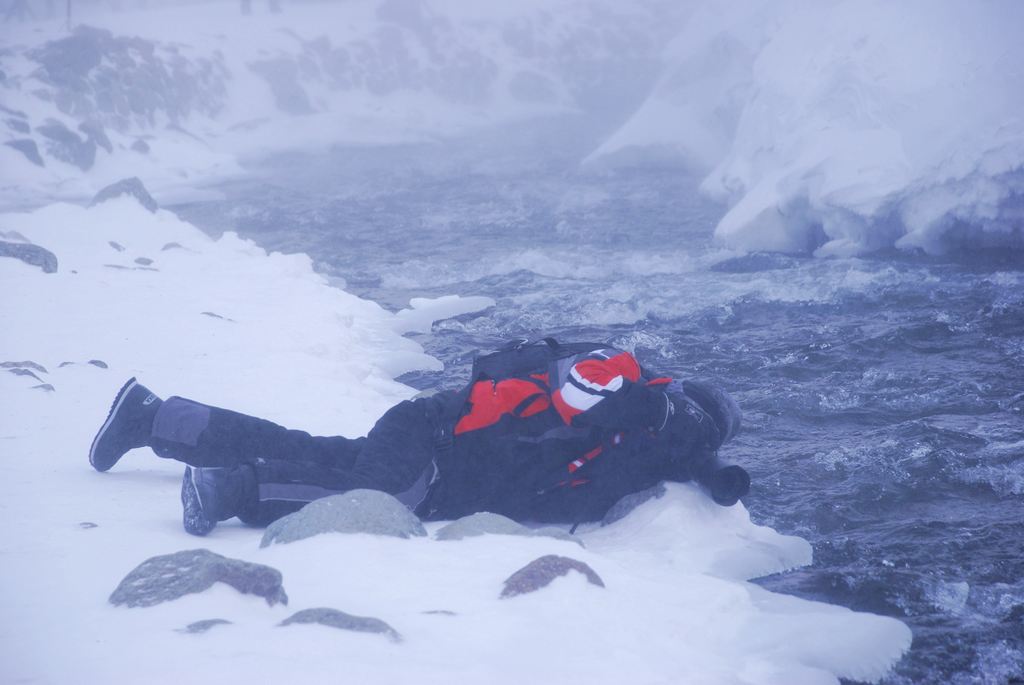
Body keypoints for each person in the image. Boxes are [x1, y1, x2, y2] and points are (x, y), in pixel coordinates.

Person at [88, 339, 749, 536]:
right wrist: (657, 419)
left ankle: (155, 417)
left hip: (441, 442)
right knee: (376, 496)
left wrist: (690, 457)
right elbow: (577, 401)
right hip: (439, 446)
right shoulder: (629, 390)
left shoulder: (636, 431)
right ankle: (231, 486)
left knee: (312, 452)